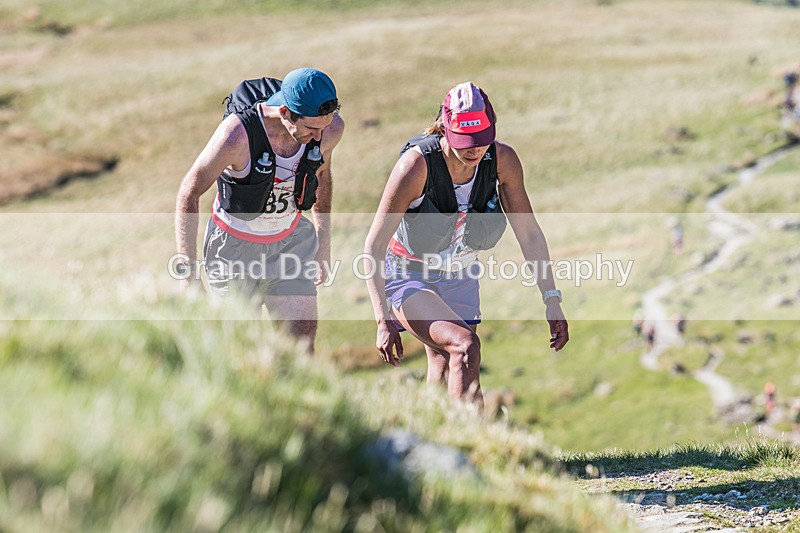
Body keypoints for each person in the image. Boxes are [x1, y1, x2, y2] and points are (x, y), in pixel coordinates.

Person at [363, 82, 568, 405]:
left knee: (445, 363)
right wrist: (381, 320)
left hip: (460, 275)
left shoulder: (502, 161)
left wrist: (551, 298)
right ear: (445, 128)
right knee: (464, 345)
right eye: (464, 141)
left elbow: (529, 233)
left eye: (481, 141)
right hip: (407, 273)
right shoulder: (415, 167)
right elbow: (373, 247)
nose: (474, 150)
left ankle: (434, 440)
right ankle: (473, 439)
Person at [175, 68, 345, 353]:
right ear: (285, 112)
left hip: (290, 244)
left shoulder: (330, 129)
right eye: (311, 129)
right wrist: (188, 276)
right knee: (243, 349)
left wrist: (322, 239)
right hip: (233, 249)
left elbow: (322, 175)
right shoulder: (236, 136)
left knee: (301, 347)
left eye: (323, 126)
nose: (319, 135)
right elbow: (188, 193)